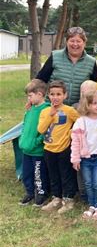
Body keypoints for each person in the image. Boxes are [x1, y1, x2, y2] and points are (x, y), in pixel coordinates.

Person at [37, 80, 80, 213]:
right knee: (53, 174)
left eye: (59, 94)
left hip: (64, 148)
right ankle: (56, 198)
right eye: (52, 94)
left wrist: (71, 132)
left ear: (65, 95)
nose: (55, 97)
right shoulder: (45, 111)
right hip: (49, 149)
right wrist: (50, 115)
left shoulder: (69, 110)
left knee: (65, 174)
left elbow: (81, 122)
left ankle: (68, 200)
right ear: (48, 96)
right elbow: (41, 129)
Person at [71, 90, 97, 220]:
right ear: (87, 105)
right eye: (94, 103)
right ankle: (91, 205)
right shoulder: (81, 121)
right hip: (85, 158)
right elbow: (75, 142)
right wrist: (75, 159)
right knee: (88, 183)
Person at [36, 27, 97, 106]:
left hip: (77, 109)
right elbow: (40, 80)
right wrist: (33, 98)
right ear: (67, 42)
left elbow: (95, 87)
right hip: (52, 107)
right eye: (72, 41)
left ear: (84, 43)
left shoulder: (91, 62)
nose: (75, 44)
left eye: (78, 41)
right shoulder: (55, 56)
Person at [18, 79, 50, 207]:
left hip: (37, 151)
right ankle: (30, 192)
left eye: (30, 96)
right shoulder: (30, 110)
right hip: (26, 150)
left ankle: (41, 193)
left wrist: (36, 142)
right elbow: (25, 126)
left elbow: (46, 130)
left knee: (38, 174)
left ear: (40, 94)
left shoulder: (46, 110)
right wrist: (23, 140)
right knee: (27, 173)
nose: (28, 98)